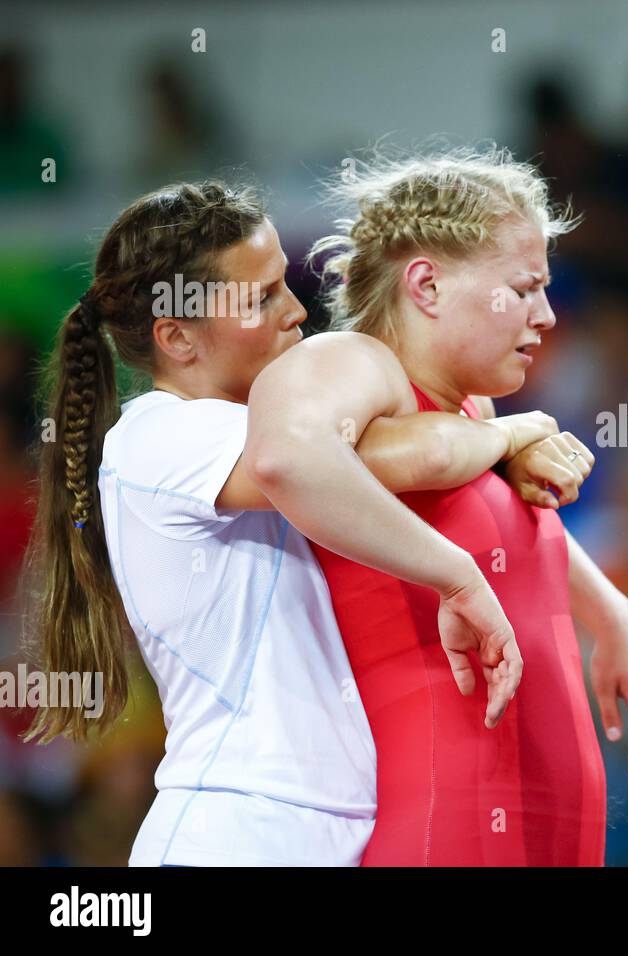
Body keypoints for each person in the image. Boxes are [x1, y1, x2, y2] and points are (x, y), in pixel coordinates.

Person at [24, 180, 577, 865]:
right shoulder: (158, 438)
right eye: (259, 299)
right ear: (176, 336)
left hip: (321, 829)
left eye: (284, 282)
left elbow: (414, 451)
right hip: (234, 827)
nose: (295, 312)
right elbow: (411, 452)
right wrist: (512, 438)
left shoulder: (261, 430)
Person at [309, 147, 628, 865]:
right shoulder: (349, 372)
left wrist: (611, 613)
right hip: (449, 806)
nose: (548, 315)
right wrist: (511, 434)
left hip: (551, 804)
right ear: (428, 285)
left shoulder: (475, 411)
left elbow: (508, 526)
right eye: (525, 289)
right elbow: (388, 458)